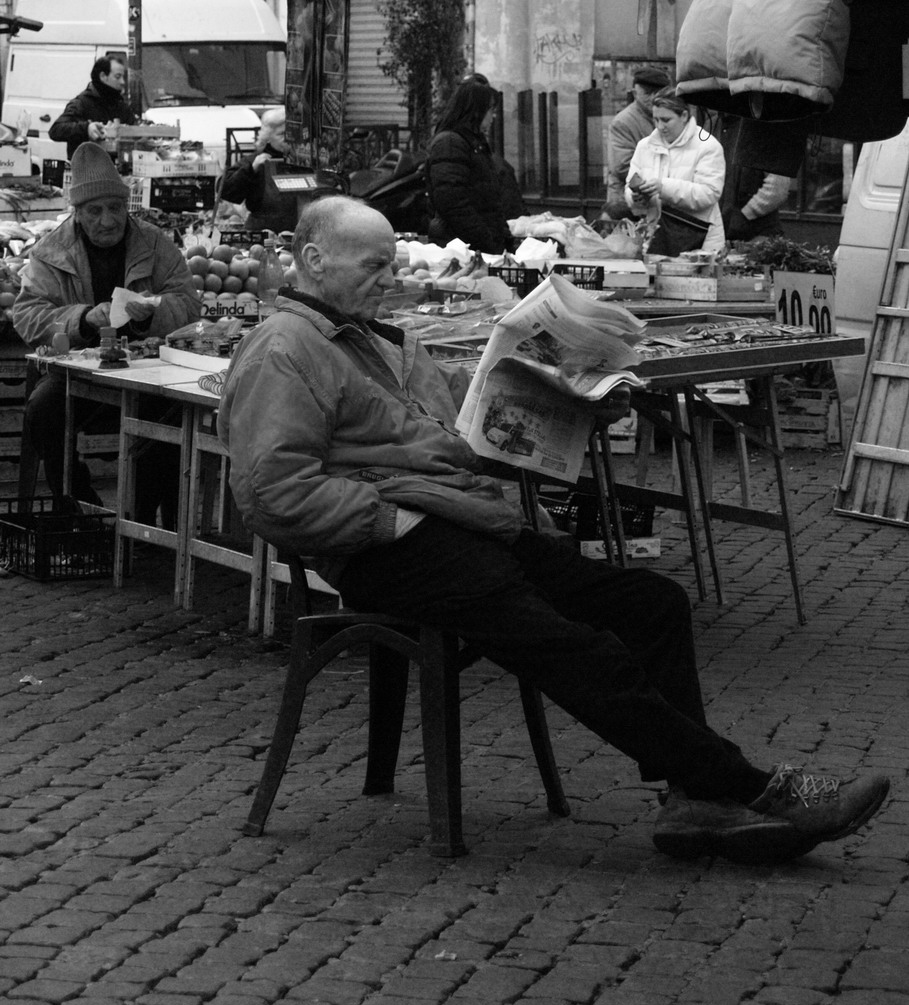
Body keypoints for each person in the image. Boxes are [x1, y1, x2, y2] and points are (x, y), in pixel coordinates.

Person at [218, 194, 889, 864]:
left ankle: (696, 800)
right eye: (373, 265)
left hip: (459, 517)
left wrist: (577, 401)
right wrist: (392, 519)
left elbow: (465, 409)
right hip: (387, 543)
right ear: (314, 260)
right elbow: (273, 493)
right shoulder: (284, 348)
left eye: (390, 263)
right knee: (573, 647)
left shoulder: (376, 338)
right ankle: (748, 788)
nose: (388, 278)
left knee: (651, 604)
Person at [14, 142, 201, 523]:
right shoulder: (51, 252)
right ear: (78, 213)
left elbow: (189, 305)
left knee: (171, 412)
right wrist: (83, 319)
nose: (107, 220)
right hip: (79, 375)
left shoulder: (155, 244)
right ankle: (82, 513)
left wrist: (151, 315)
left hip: (148, 372)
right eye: (95, 211)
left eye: (115, 208)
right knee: (43, 410)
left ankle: (141, 524)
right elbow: (28, 314)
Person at [626, 88, 727, 253]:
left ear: (684, 116)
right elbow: (629, 186)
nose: (660, 126)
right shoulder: (645, 146)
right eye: (656, 119)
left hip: (698, 241)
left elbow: (709, 193)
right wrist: (635, 198)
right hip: (655, 239)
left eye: (666, 120)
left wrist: (663, 187)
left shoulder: (708, 146)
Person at [426, 73, 514, 254]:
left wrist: (505, 241)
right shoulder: (450, 143)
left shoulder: (476, 144)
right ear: (476, 111)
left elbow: (493, 203)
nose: (493, 116)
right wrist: (486, 242)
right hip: (460, 250)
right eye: (490, 110)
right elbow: (453, 203)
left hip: (481, 247)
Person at [602, 66, 672, 221]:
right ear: (635, 93)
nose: (653, 98)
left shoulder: (670, 118)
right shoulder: (623, 122)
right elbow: (622, 167)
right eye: (647, 93)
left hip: (658, 201)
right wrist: (663, 179)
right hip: (625, 205)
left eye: (658, 92)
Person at [220, 108, 300, 235]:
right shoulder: (255, 160)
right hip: (260, 234)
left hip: (298, 233)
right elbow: (224, 189)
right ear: (267, 137)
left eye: (291, 133)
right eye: (281, 134)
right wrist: (251, 169)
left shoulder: (305, 161)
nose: (288, 138)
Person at [49, 57, 136, 160]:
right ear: (103, 76)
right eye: (118, 77)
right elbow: (56, 130)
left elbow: (134, 127)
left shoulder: (121, 106)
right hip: (86, 167)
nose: (122, 82)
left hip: (116, 167)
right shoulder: (81, 103)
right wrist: (87, 129)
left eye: (123, 77)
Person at [720, 116, 790, 241]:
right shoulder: (713, 124)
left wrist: (745, 214)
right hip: (723, 234)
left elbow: (778, 187)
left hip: (760, 234)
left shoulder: (764, 126)